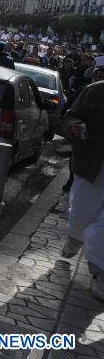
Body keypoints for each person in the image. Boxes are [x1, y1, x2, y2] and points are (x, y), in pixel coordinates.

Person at [59, 78, 104, 301]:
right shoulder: (95, 91)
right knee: (82, 214)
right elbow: (69, 118)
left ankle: (99, 272)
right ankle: (75, 237)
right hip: (91, 165)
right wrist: (74, 127)